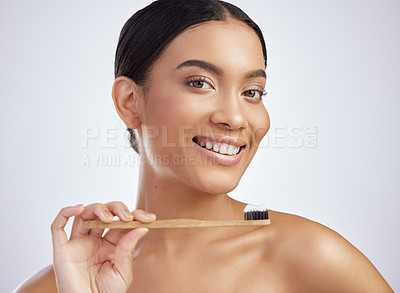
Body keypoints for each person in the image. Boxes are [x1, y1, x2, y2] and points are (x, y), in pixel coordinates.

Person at [14, 0, 393, 292]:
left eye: (252, 92)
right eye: (199, 83)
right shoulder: (61, 285)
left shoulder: (311, 255)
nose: (235, 117)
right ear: (131, 101)